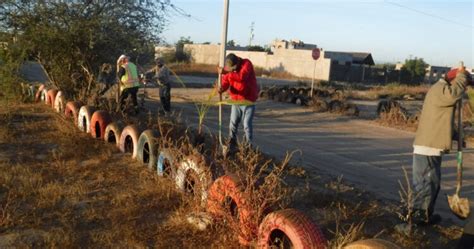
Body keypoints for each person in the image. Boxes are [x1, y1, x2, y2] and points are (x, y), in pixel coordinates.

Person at [409, 64, 472, 225]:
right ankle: (416, 222)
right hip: (427, 149)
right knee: (425, 186)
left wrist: (457, 135)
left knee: (432, 185)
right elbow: (453, 95)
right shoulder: (439, 90)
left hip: (432, 148)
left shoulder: (442, 91)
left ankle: (426, 216)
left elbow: (440, 122)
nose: (464, 89)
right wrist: (462, 76)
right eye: (462, 84)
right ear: (453, 81)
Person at [217, 53, 259, 151]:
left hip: (248, 101)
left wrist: (227, 72)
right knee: (233, 123)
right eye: (231, 69)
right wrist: (221, 89)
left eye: (234, 68)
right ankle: (232, 143)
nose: (233, 70)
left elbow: (241, 77)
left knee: (246, 125)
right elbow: (225, 82)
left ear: (238, 61)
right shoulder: (228, 71)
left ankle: (248, 146)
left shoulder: (246, 64)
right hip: (236, 101)